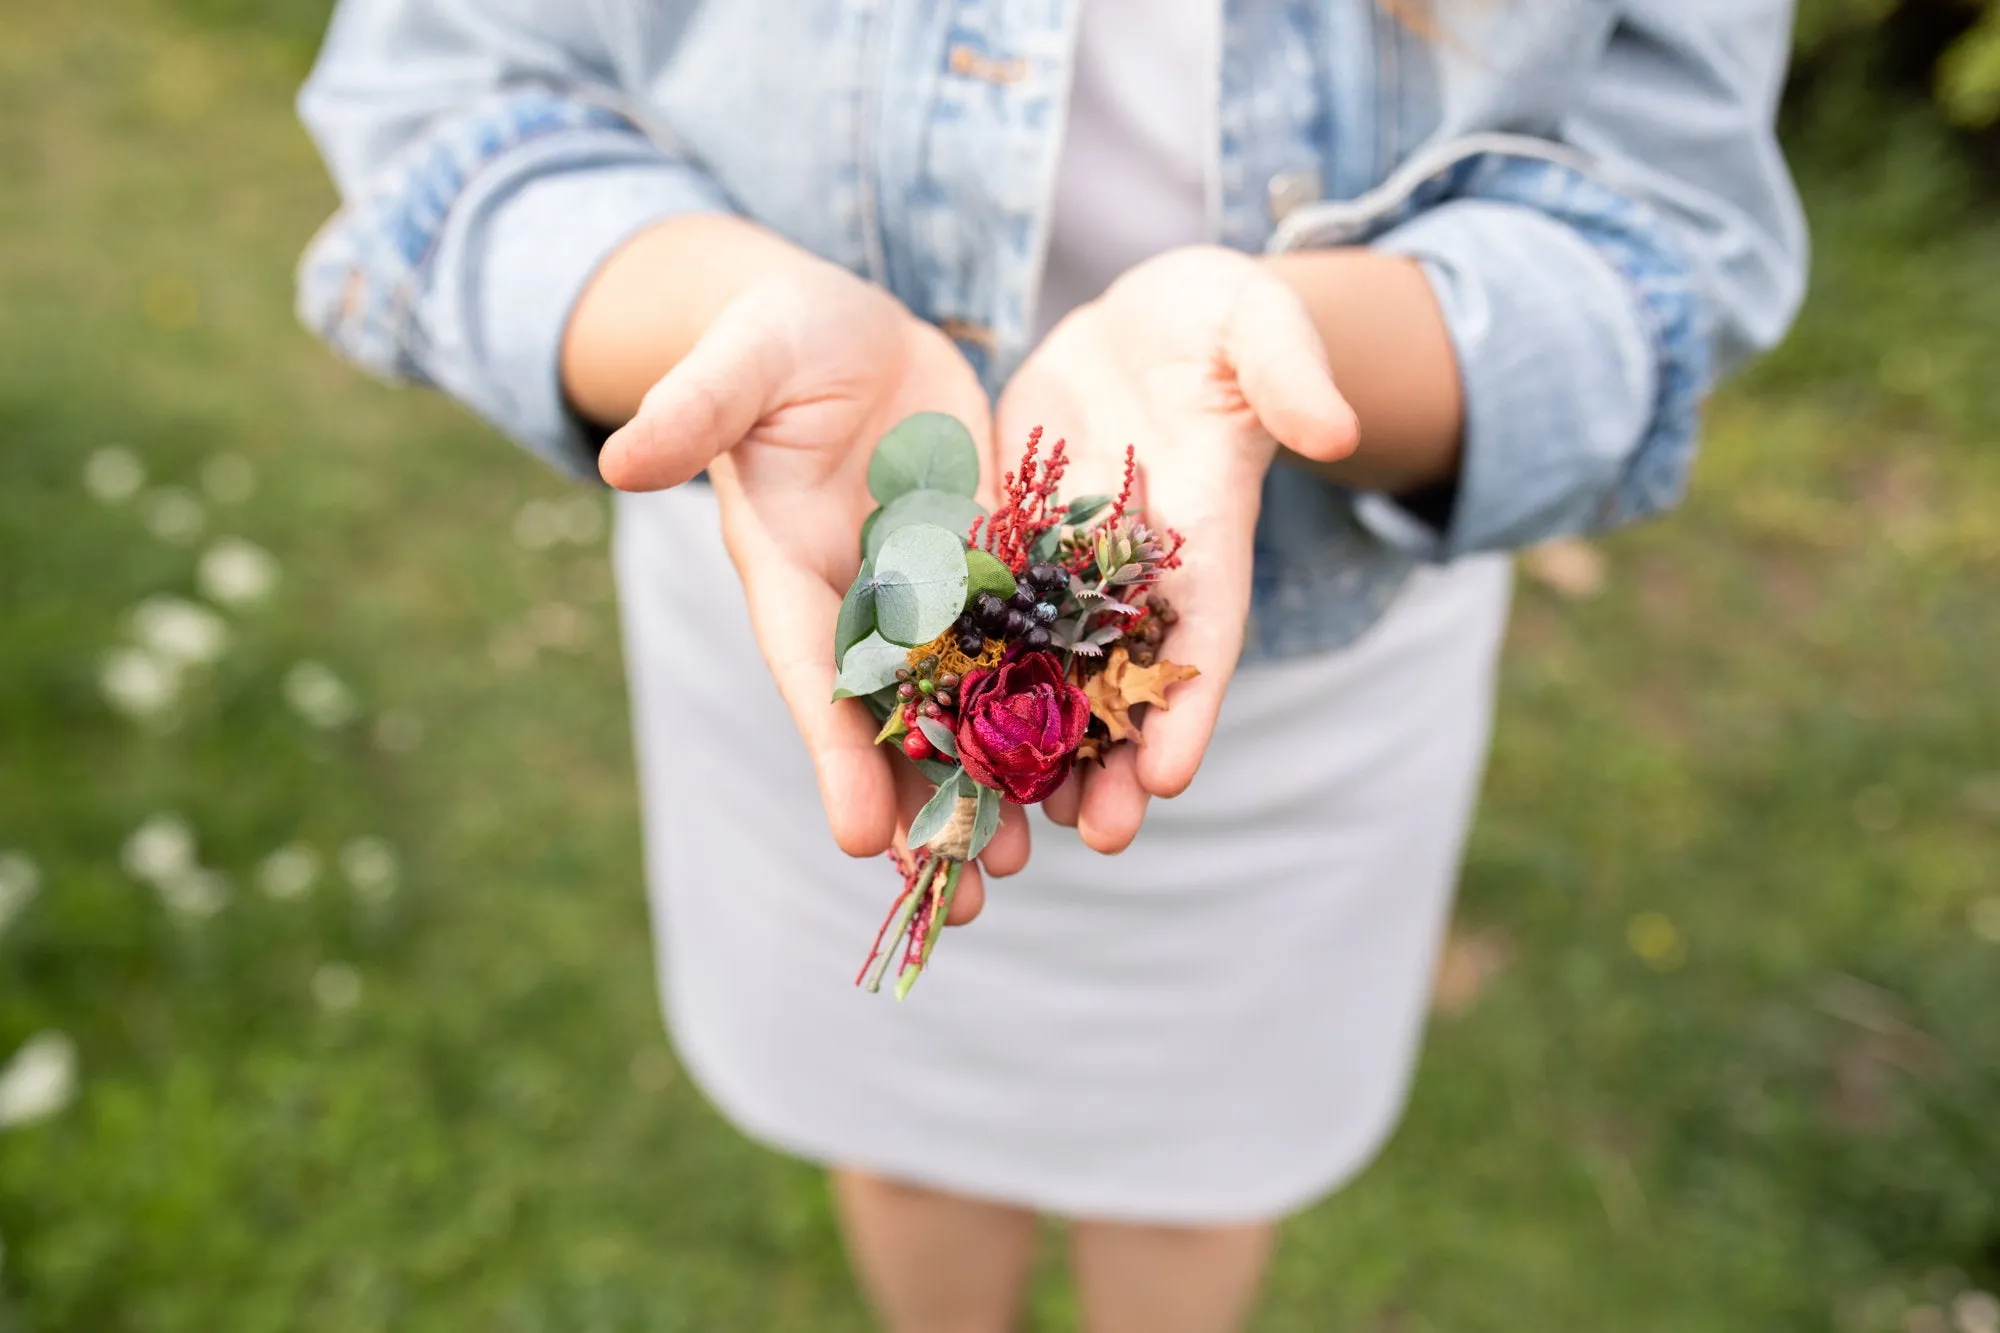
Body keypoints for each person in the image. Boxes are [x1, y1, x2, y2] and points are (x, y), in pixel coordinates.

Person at [294, 1, 1807, 1328]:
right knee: (895, 1122)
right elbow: (448, 93)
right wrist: (712, 320)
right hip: (816, 581)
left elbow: (1669, 222)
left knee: (1201, 1173)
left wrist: (1297, 340)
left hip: (1301, 684)